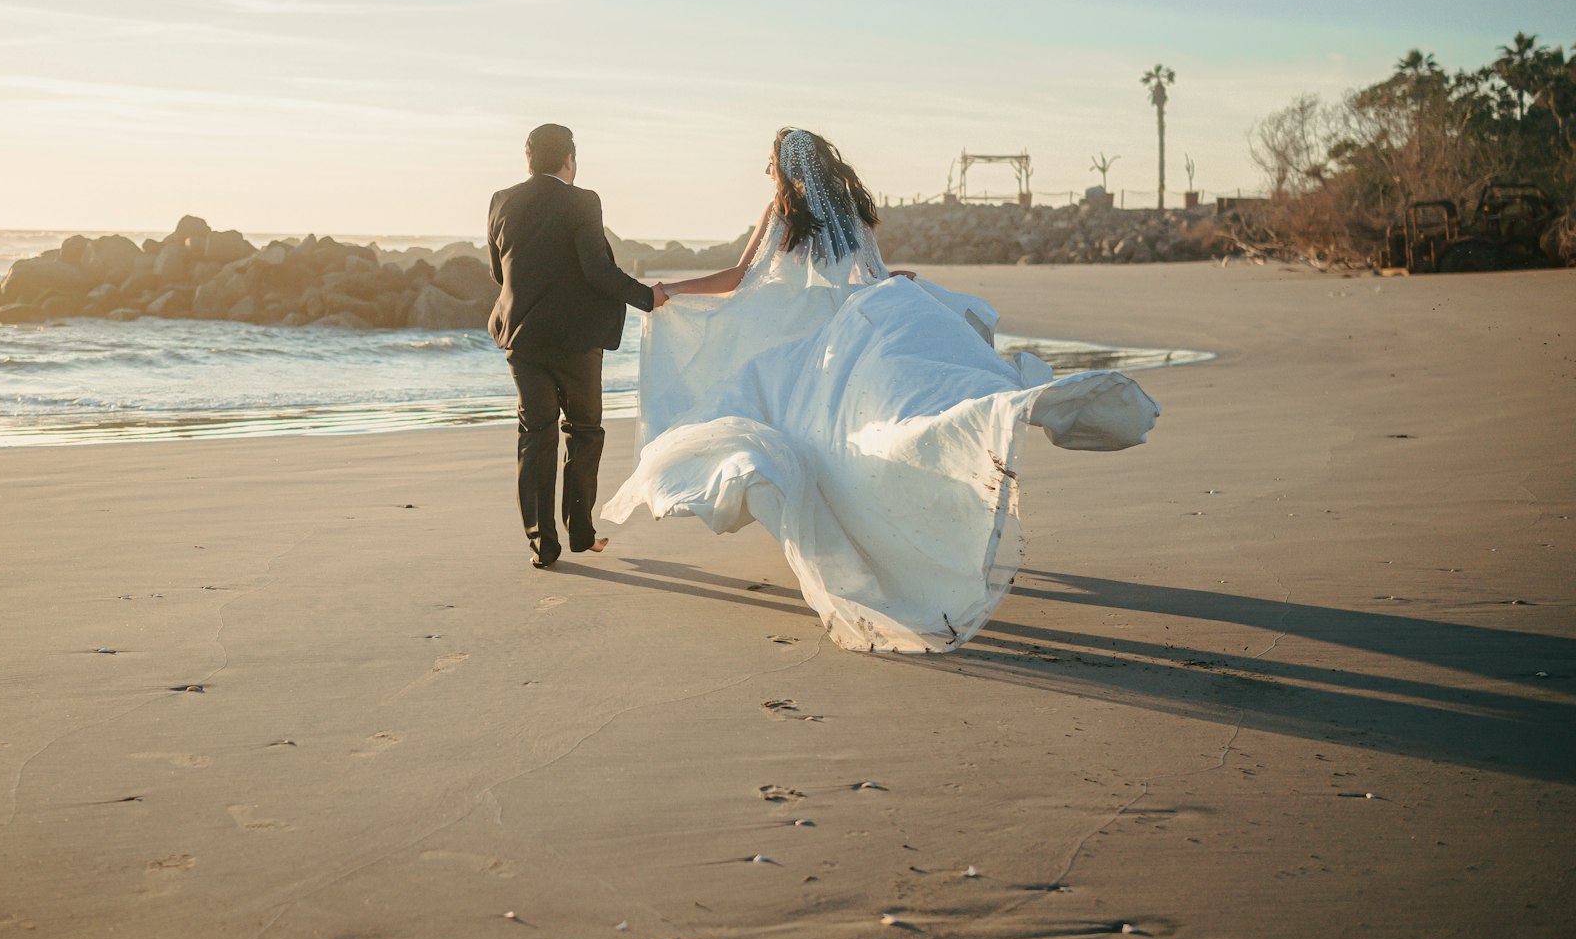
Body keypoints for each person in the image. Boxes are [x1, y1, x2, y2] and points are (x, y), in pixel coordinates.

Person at [600, 127, 1161, 653]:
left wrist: (671, 288)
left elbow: (742, 280)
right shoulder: (852, 209)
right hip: (855, 328)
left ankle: (860, 538)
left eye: (770, 163)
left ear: (786, 167)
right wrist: (902, 286)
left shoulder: (782, 212)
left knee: (809, 434)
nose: (766, 171)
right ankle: (1009, 408)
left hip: (809, 342)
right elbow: (873, 278)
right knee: (872, 429)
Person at [487, 123, 668, 568]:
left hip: (522, 337)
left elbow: (499, 271)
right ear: (570, 159)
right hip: (576, 340)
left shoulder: (501, 200)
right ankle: (581, 532)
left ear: (528, 159)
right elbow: (597, 268)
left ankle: (541, 544)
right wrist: (648, 297)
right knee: (584, 432)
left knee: (536, 435)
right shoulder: (582, 200)